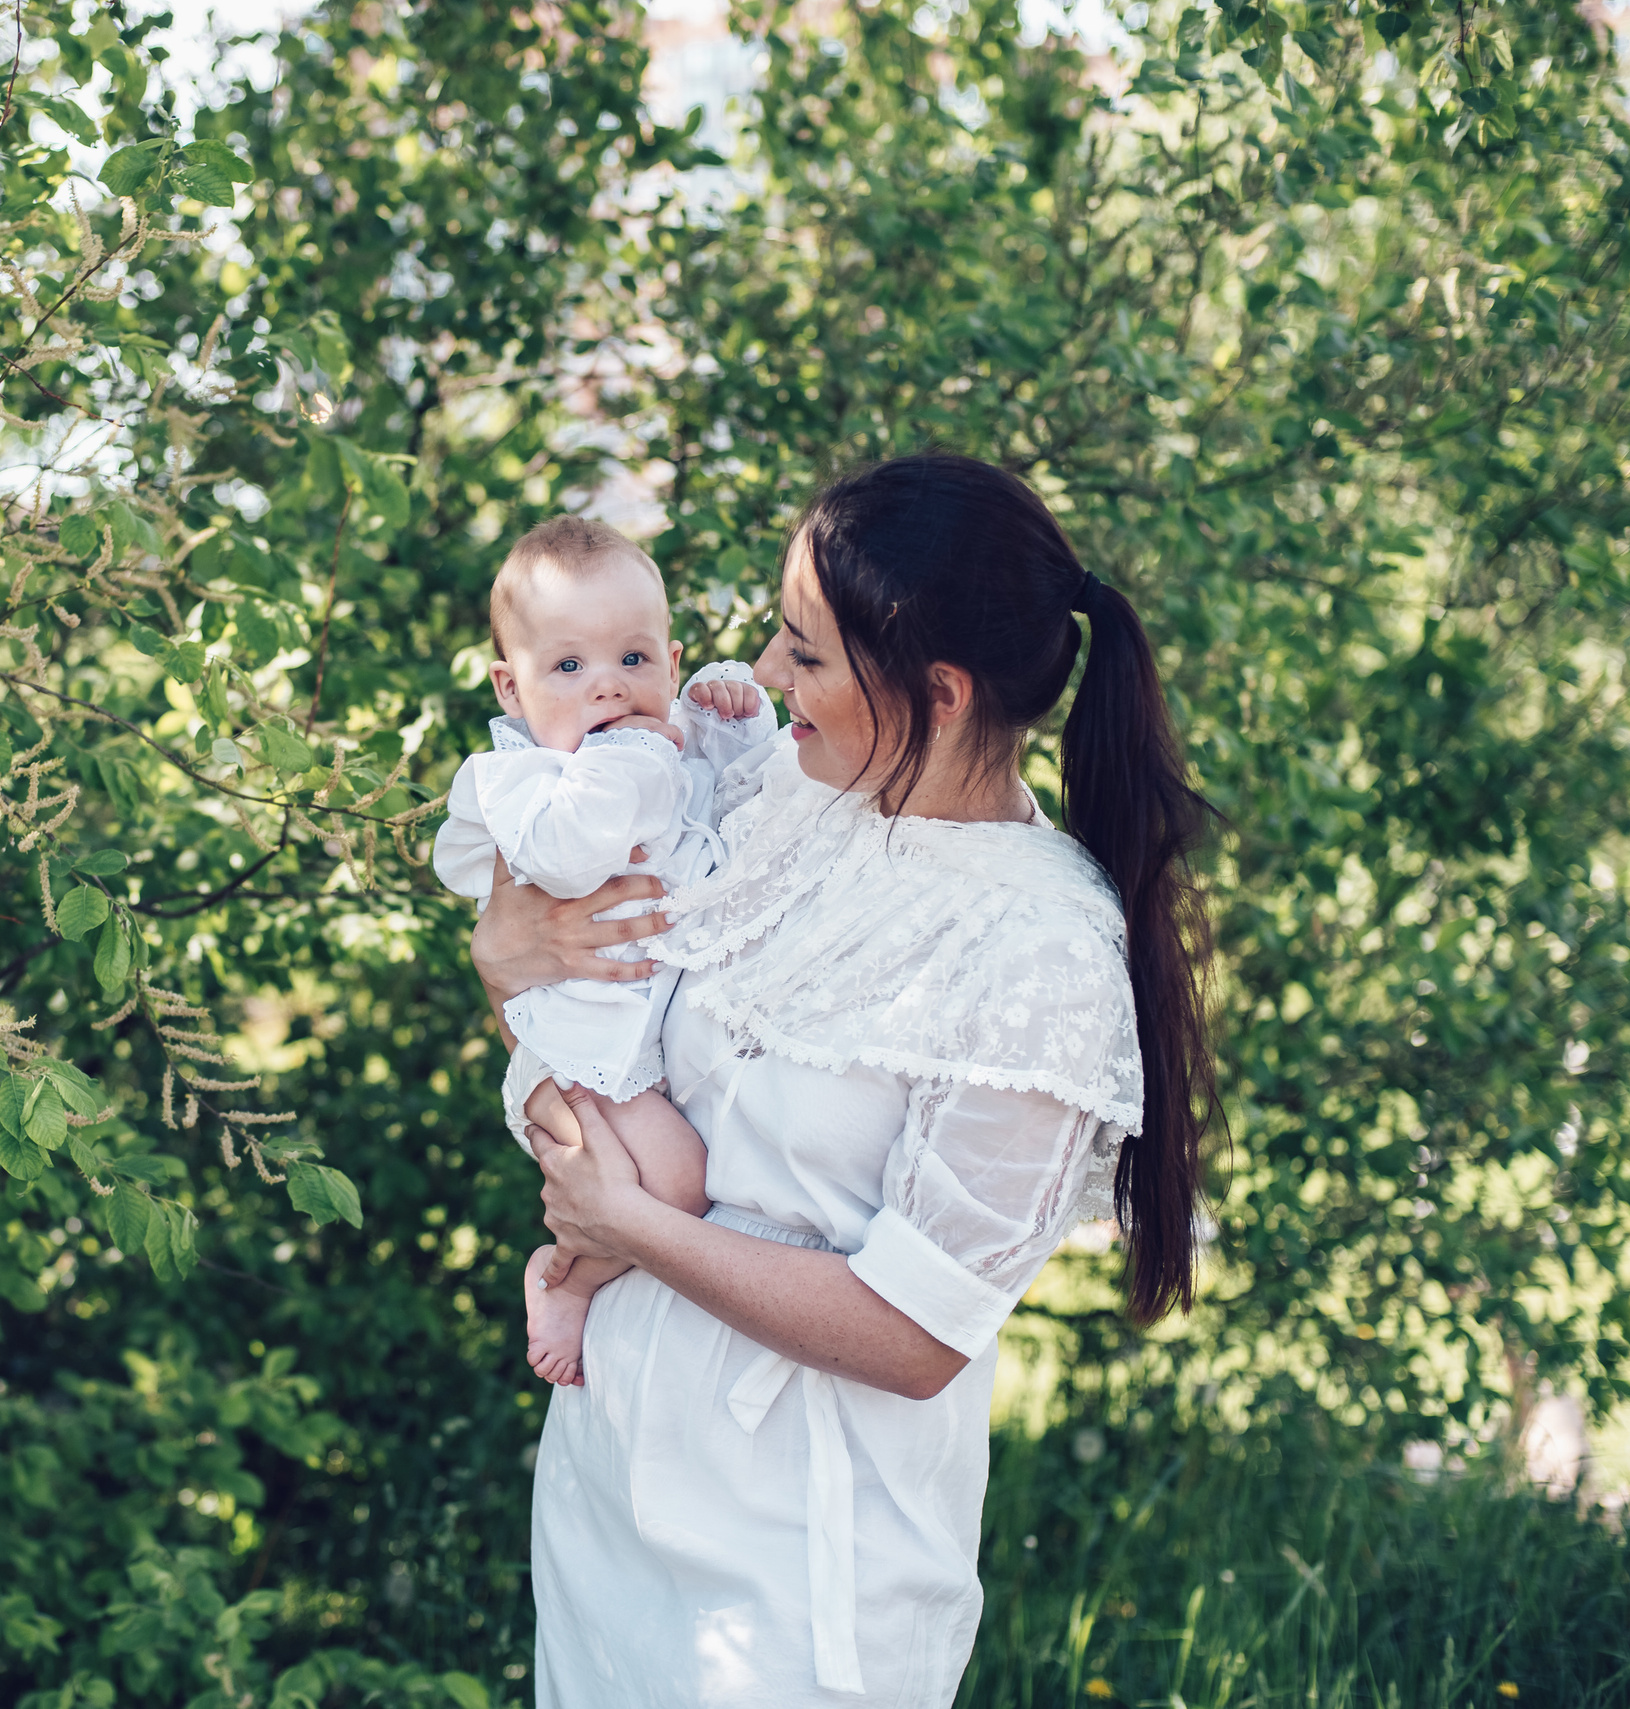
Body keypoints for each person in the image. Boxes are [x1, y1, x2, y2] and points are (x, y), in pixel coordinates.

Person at [472, 455, 1217, 1707]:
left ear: (938, 690)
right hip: (612, 1484)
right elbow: (589, 1019)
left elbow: (915, 1335)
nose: (767, 670)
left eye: (806, 652)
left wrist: (632, 1226)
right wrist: (500, 964)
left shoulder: (1033, 950)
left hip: (797, 1566)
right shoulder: (778, 792)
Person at [434, 516, 775, 1387]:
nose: (608, 687)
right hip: (573, 1056)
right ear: (512, 688)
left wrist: (729, 714)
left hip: (629, 1052)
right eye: (569, 667)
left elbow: (732, 799)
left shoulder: (656, 750)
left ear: (670, 660)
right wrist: (632, 757)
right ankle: (566, 1281)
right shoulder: (525, 780)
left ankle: (576, 1271)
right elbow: (564, 857)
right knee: (677, 1183)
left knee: (670, 1181)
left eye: (633, 658)